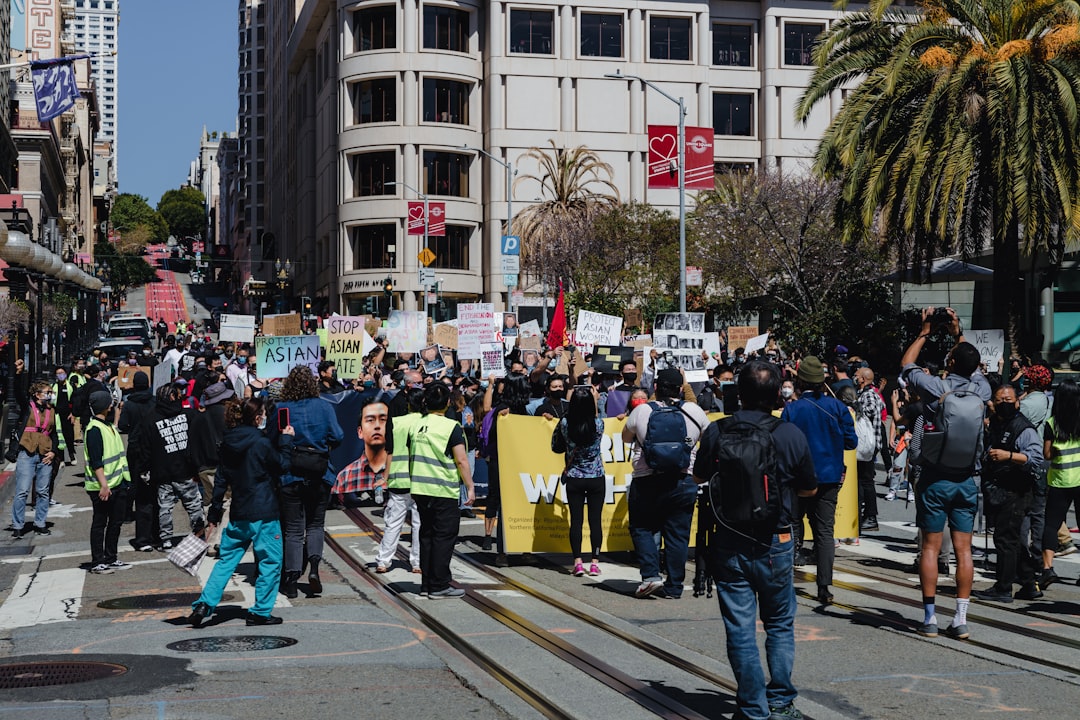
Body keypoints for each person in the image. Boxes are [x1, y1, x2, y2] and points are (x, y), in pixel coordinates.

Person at [693, 360, 817, 720]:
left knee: (740, 626)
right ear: (778, 395)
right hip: (775, 539)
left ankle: (752, 707)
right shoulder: (789, 434)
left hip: (729, 540)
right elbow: (809, 487)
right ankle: (780, 701)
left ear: (738, 393)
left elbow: (700, 473)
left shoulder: (718, 431)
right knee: (779, 623)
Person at [900, 306, 989, 640]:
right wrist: (958, 331)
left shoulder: (938, 388)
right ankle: (961, 619)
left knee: (930, 550)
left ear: (950, 363)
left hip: (936, 478)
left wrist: (925, 331)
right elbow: (974, 363)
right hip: (968, 479)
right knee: (964, 551)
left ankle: (930, 618)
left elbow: (907, 365)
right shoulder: (981, 389)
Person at [189, 397, 295, 628]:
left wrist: (215, 512)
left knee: (226, 561)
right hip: (264, 509)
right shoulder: (262, 442)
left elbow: (221, 479)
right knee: (270, 562)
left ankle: (204, 604)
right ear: (258, 418)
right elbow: (282, 465)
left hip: (239, 510)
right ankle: (261, 612)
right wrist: (286, 441)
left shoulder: (227, 443)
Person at [621, 368, 708, 599]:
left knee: (642, 527)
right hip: (683, 479)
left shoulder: (642, 411)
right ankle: (675, 586)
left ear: (656, 388)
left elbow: (625, 437)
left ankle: (650, 576)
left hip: (647, 479)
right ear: (681, 389)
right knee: (677, 534)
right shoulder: (694, 411)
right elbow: (709, 439)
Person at [780, 355, 856, 604]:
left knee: (791, 527)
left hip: (796, 478)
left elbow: (782, 442)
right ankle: (824, 586)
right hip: (828, 477)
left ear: (800, 381)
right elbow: (851, 441)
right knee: (824, 532)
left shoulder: (792, 409)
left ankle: (785, 580)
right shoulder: (836, 407)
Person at [276, 365, 344, 599]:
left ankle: (292, 579)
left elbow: (276, 439)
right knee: (315, 524)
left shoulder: (281, 408)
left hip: (290, 474)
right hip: (319, 472)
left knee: (293, 529)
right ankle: (314, 568)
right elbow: (338, 436)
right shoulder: (324, 407)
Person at [971, 384, 1044, 602]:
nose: (1004, 404)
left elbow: (1035, 458)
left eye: (1008, 400)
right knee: (1011, 538)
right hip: (999, 487)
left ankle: (1003, 588)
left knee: (1005, 539)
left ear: (1017, 402)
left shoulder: (1023, 428)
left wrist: (1008, 456)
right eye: (1000, 400)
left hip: (1017, 489)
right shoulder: (995, 423)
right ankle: (1029, 583)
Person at [408, 382, 475, 598]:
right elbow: (462, 460)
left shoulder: (415, 426)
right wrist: (470, 487)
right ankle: (439, 585)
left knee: (426, 534)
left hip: (419, 487)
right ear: (448, 403)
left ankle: (427, 583)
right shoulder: (451, 427)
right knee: (443, 537)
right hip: (442, 488)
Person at [129, 380, 208, 550]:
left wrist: (144, 469)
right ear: (172, 396)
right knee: (194, 505)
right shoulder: (188, 415)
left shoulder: (150, 419)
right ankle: (200, 534)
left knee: (165, 508)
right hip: (186, 470)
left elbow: (146, 449)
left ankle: (165, 540)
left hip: (162, 472)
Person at [552, 385, 606, 577]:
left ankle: (577, 562)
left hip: (574, 476)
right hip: (596, 477)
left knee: (576, 520)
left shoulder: (565, 423)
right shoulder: (598, 424)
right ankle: (594, 562)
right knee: (595, 520)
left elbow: (555, 445)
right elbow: (595, 416)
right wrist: (596, 399)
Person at [372, 391, 423, 573]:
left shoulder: (396, 423)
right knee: (419, 524)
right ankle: (417, 562)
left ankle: (383, 561)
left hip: (398, 479)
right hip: (421, 480)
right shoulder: (425, 423)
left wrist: (385, 477)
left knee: (393, 522)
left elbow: (390, 450)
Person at [83, 391, 132, 574]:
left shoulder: (108, 426)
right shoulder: (94, 429)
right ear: (105, 406)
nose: (112, 406)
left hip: (117, 482)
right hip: (102, 486)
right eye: (110, 404)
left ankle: (111, 557)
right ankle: (98, 561)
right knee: (100, 523)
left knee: (116, 522)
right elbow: (96, 461)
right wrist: (104, 485)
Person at [1039, 379, 1080, 589]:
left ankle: (1047, 568)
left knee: (1052, 524)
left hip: (1059, 480)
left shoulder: (1052, 423)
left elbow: (1047, 454)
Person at [10, 382, 58, 539]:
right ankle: (18, 525)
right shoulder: (28, 407)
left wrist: (53, 452)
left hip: (45, 454)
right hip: (27, 453)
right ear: (37, 394)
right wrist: (18, 376)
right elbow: (18, 394)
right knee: (22, 491)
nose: (50, 394)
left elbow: (54, 434)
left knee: (43, 491)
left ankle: (40, 523)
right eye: (47, 392)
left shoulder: (51, 410)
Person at [118, 371, 158, 551]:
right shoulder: (154, 401)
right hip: (152, 446)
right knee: (154, 488)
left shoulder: (129, 404)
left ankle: (127, 512)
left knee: (133, 483)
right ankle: (156, 532)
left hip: (135, 447)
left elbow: (122, 426)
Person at [854, 366, 885, 531]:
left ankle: (871, 516)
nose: (855, 377)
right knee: (862, 480)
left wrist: (856, 408)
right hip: (867, 445)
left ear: (863, 379)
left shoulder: (869, 394)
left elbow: (873, 408)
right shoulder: (865, 393)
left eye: (857, 375)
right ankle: (864, 514)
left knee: (866, 481)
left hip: (868, 445)